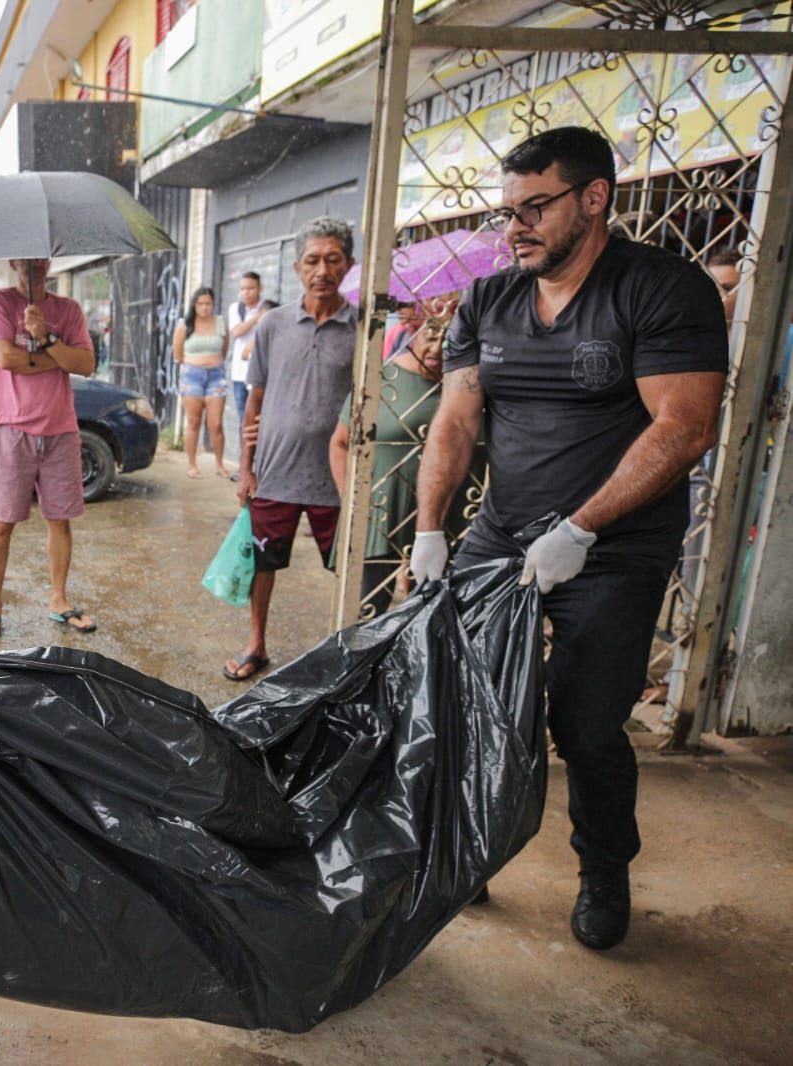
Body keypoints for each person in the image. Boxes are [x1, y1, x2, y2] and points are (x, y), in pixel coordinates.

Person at [410, 126, 727, 951]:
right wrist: (431, 531)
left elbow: (684, 427)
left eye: (533, 207)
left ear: (594, 198)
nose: (513, 227)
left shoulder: (661, 290)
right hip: (501, 536)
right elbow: (455, 419)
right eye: (505, 210)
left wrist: (582, 529)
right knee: (468, 704)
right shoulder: (489, 300)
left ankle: (603, 867)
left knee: (585, 726)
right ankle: (469, 849)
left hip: (613, 546)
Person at [225, 217, 358, 682]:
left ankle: (354, 652)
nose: (322, 269)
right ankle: (255, 643)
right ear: (298, 267)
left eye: (333, 259)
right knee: (263, 564)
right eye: (312, 260)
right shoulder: (273, 324)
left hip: (338, 478)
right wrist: (246, 469)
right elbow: (254, 401)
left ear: (350, 264)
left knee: (350, 565)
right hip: (275, 472)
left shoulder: (364, 328)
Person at [328, 303, 486, 616]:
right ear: (412, 333)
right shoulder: (380, 380)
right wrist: (353, 504)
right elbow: (341, 442)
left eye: (450, 341)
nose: (437, 349)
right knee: (366, 609)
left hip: (450, 511)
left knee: (432, 611)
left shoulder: (472, 386)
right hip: (383, 511)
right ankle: (362, 665)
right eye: (430, 336)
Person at [0, 257, 98, 641]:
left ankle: (59, 600)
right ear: (14, 262)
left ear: (49, 261)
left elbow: (86, 363)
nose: (34, 265)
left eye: (41, 258)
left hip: (61, 428)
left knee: (60, 519)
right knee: (3, 520)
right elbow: (5, 358)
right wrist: (58, 357)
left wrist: (45, 337)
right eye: (26, 259)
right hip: (11, 426)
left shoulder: (68, 310)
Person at [172, 285, 231, 479]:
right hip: (192, 376)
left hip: (216, 375)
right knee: (194, 422)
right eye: (201, 303)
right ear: (194, 305)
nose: (205, 307)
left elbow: (224, 348)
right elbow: (178, 353)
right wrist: (194, 363)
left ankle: (220, 464)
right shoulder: (185, 324)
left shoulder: (221, 323)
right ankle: (192, 464)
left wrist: (213, 362)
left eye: (208, 303)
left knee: (215, 424)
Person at [227, 272, 266, 435]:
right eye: (243, 288)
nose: (246, 292)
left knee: (261, 418)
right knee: (244, 417)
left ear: (260, 288)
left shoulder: (268, 307)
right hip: (239, 374)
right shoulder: (236, 308)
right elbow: (237, 332)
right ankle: (244, 457)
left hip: (261, 373)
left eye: (251, 288)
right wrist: (257, 317)